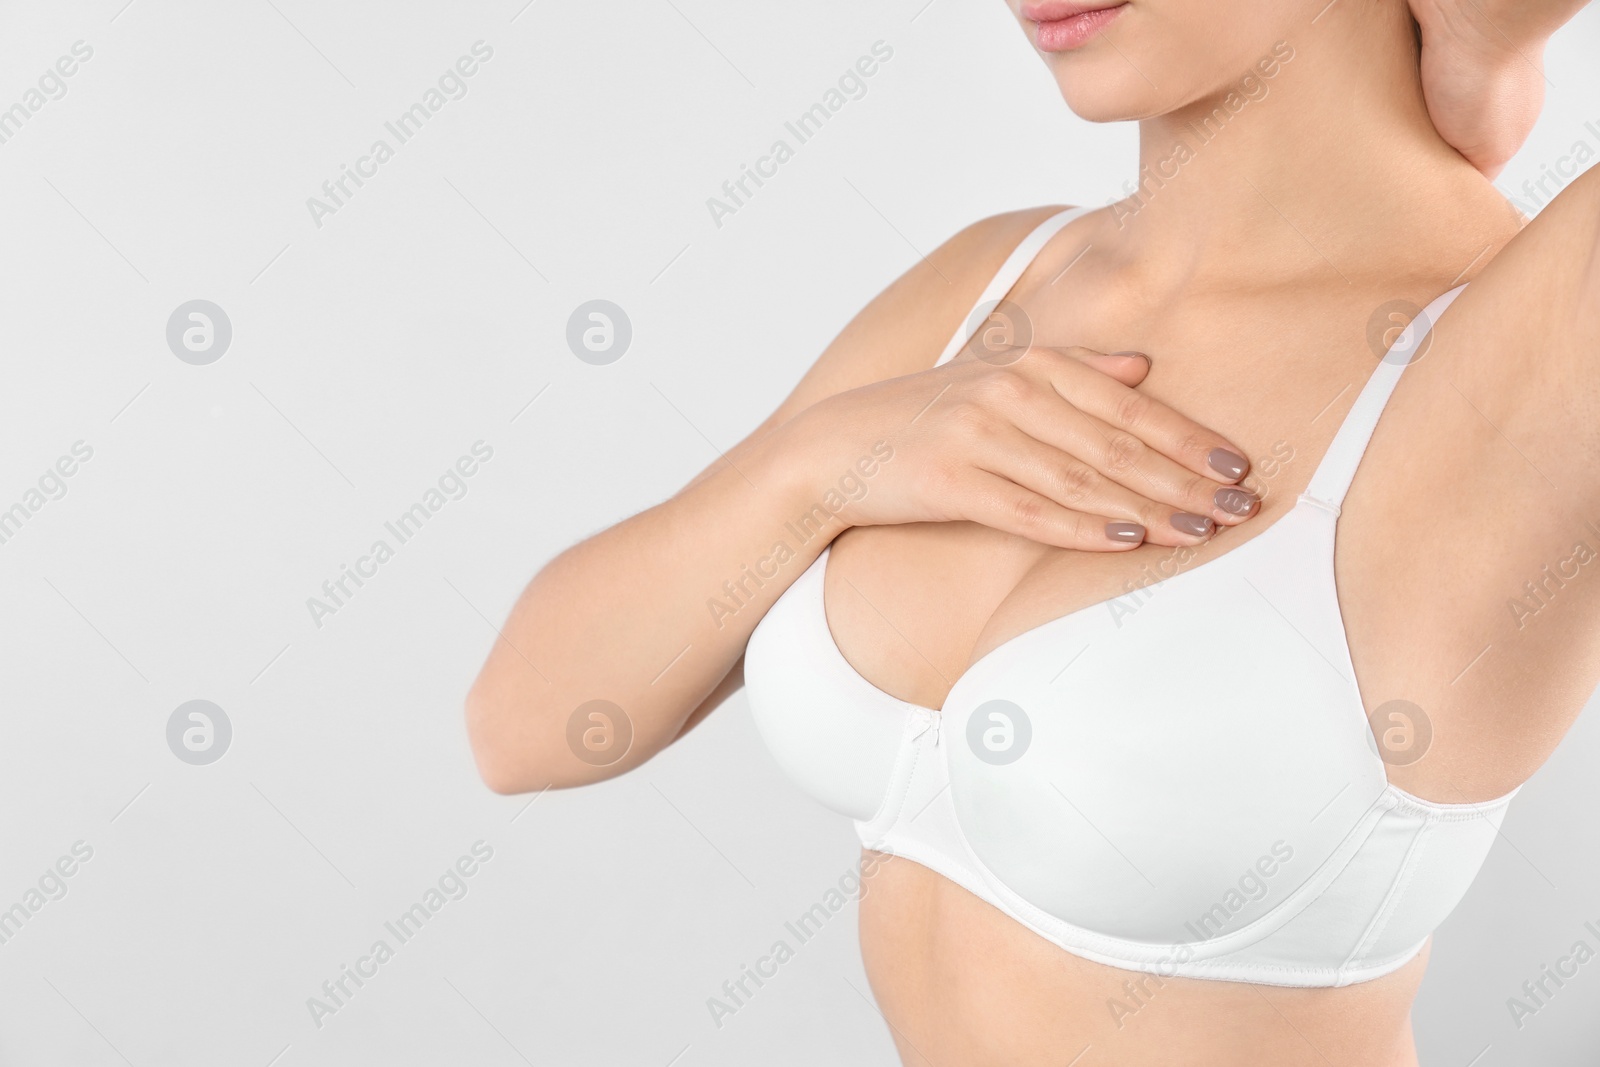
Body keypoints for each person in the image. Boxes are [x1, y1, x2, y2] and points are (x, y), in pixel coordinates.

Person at [465, 0, 1595, 1063]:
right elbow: (524, 728)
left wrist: (1486, 32)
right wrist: (816, 469)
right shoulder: (1000, 276)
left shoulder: (1532, 341)